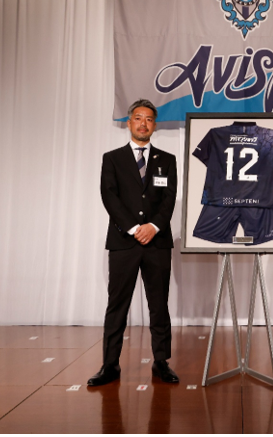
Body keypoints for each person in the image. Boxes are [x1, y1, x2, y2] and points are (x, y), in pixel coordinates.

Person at [88, 99, 179, 386]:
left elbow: (169, 200)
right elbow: (109, 196)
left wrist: (153, 226)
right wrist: (133, 228)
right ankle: (110, 365)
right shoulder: (112, 158)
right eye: (138, 118)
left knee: (159, 304)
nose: (143, 123)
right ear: (129, 123)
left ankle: (161, 362)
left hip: (157, 243)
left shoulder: (167, 160)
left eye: (149, 119)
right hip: (123, 243)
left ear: (154, 125)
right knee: (117, 305)